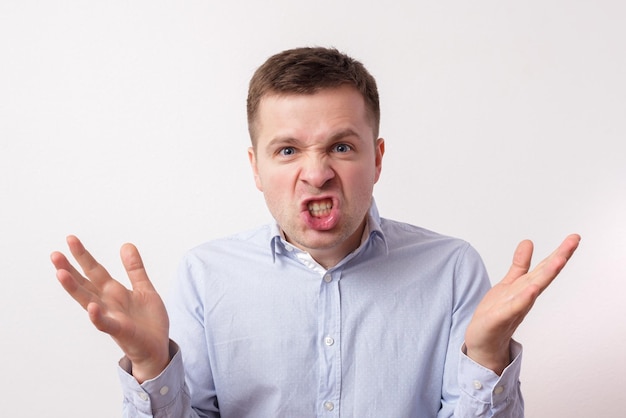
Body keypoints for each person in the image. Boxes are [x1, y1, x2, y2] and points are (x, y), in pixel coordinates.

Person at [51, 47, 580, 417]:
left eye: (342, 147)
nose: (317, 172)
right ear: (255, 168)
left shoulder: (452, 268)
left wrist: (487, 357)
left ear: (376, 160)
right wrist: (150, 367)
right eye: (287, 150)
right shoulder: (206, 274)